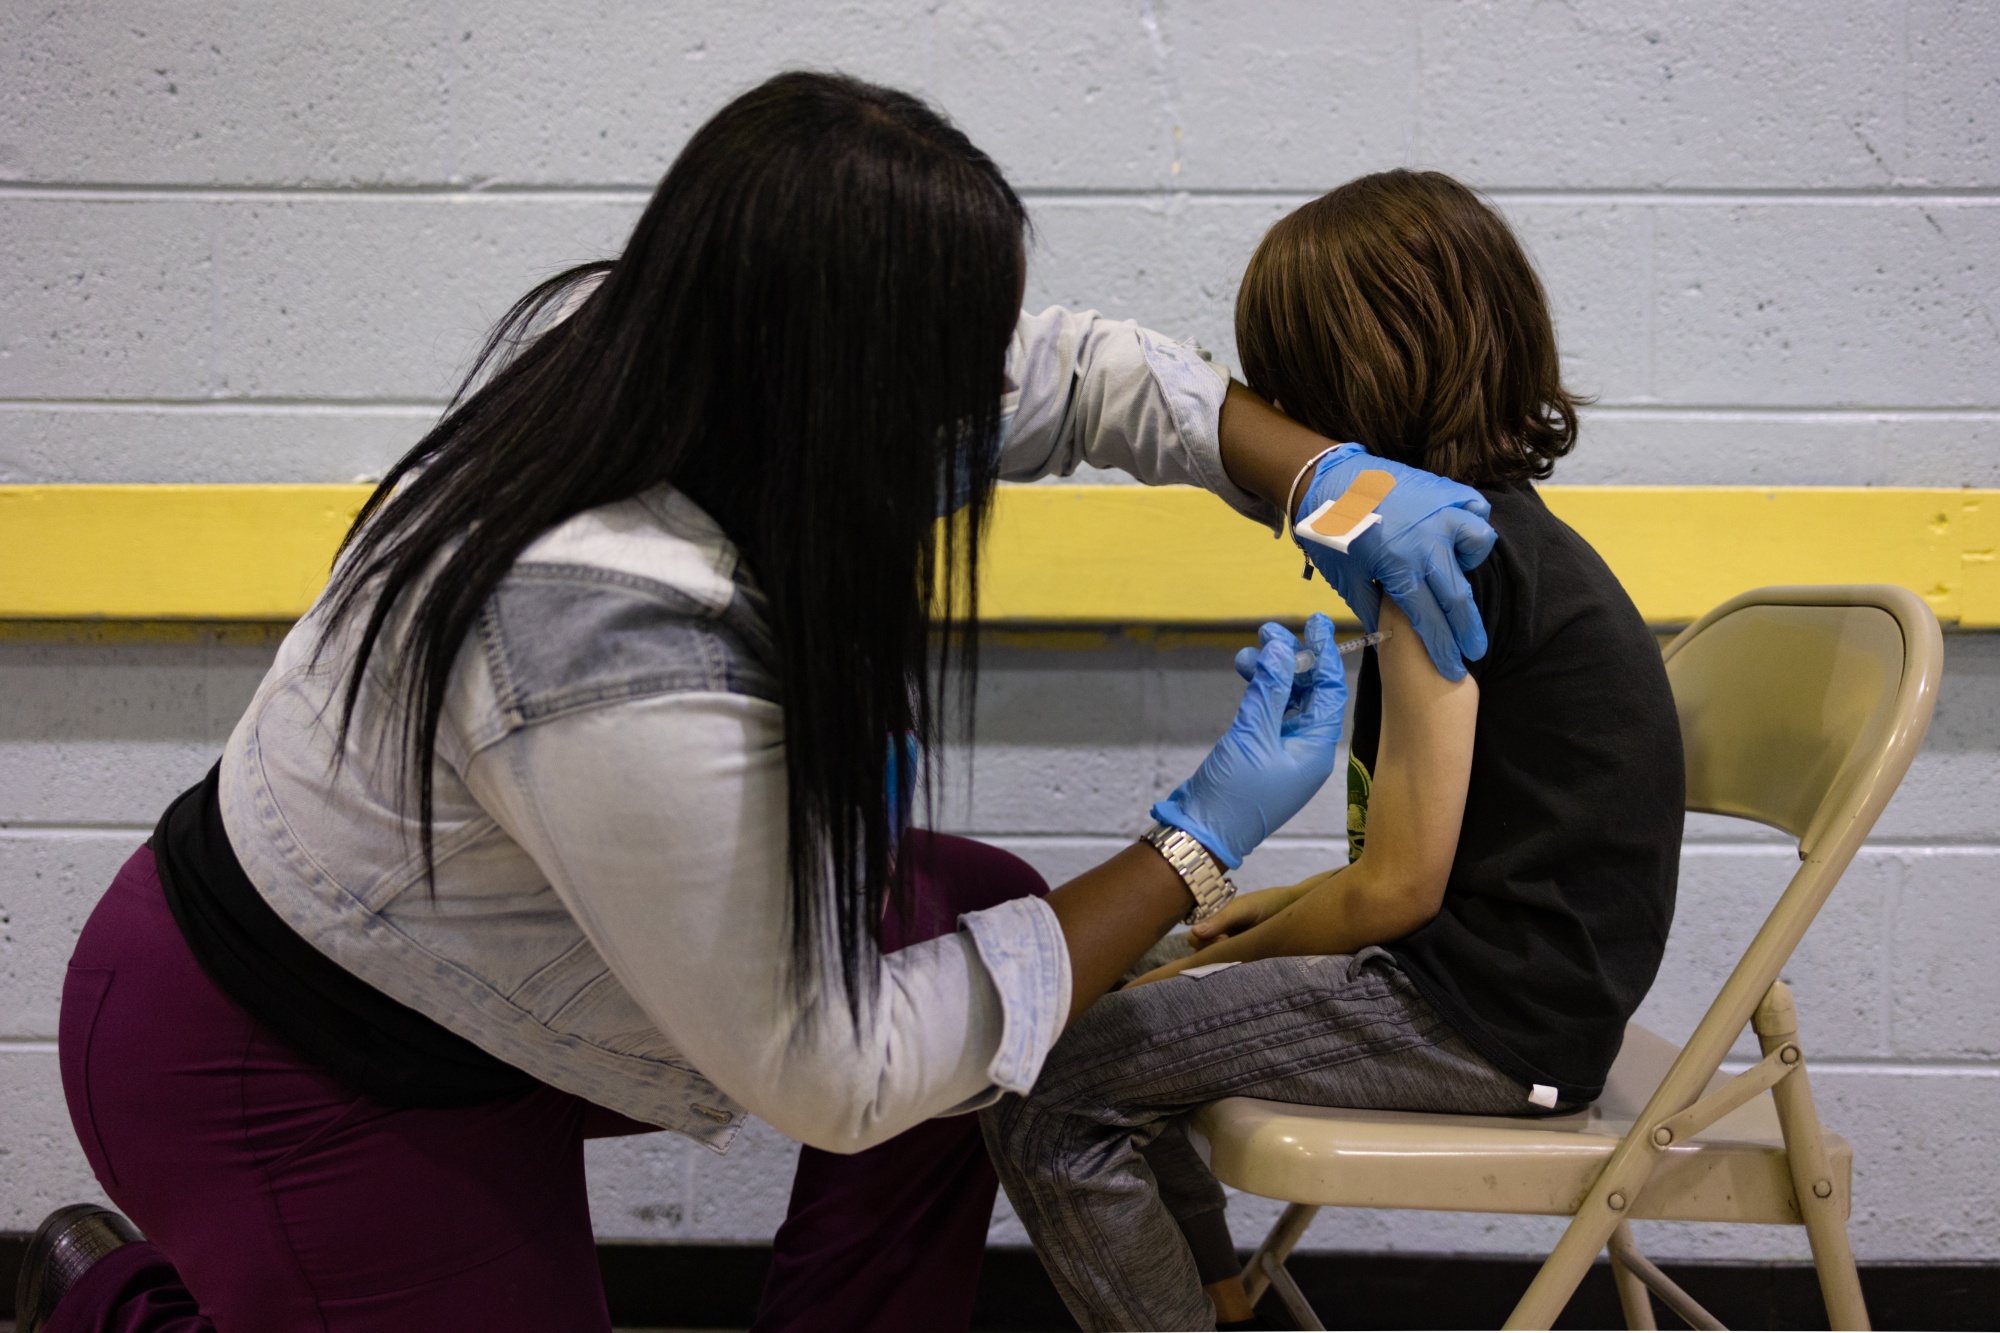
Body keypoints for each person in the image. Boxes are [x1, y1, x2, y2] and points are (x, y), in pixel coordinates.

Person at [17, 79, 1501, 1333]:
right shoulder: (604, 645)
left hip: (469, 960)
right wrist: (1198, 839)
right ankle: (118, 1300)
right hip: (284, 1055)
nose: (972, 402)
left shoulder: (697, 347)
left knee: (965, 907)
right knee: (938, 1012)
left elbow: (1077, 370)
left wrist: (1331, 479)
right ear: (844, 376)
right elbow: (835, 1071)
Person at [982, 168, 1688, 1331]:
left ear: (1346, 382)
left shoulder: (1436, 562)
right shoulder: (1486, 532)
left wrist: (1212, 962)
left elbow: (1398, 888)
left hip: (1480, 1025)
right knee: (1107, 994)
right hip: (1500, 999)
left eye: (1284, 383)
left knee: (1048, 1085)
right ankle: (1219, 1298)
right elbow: (1458, 864)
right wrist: (1250, 921)